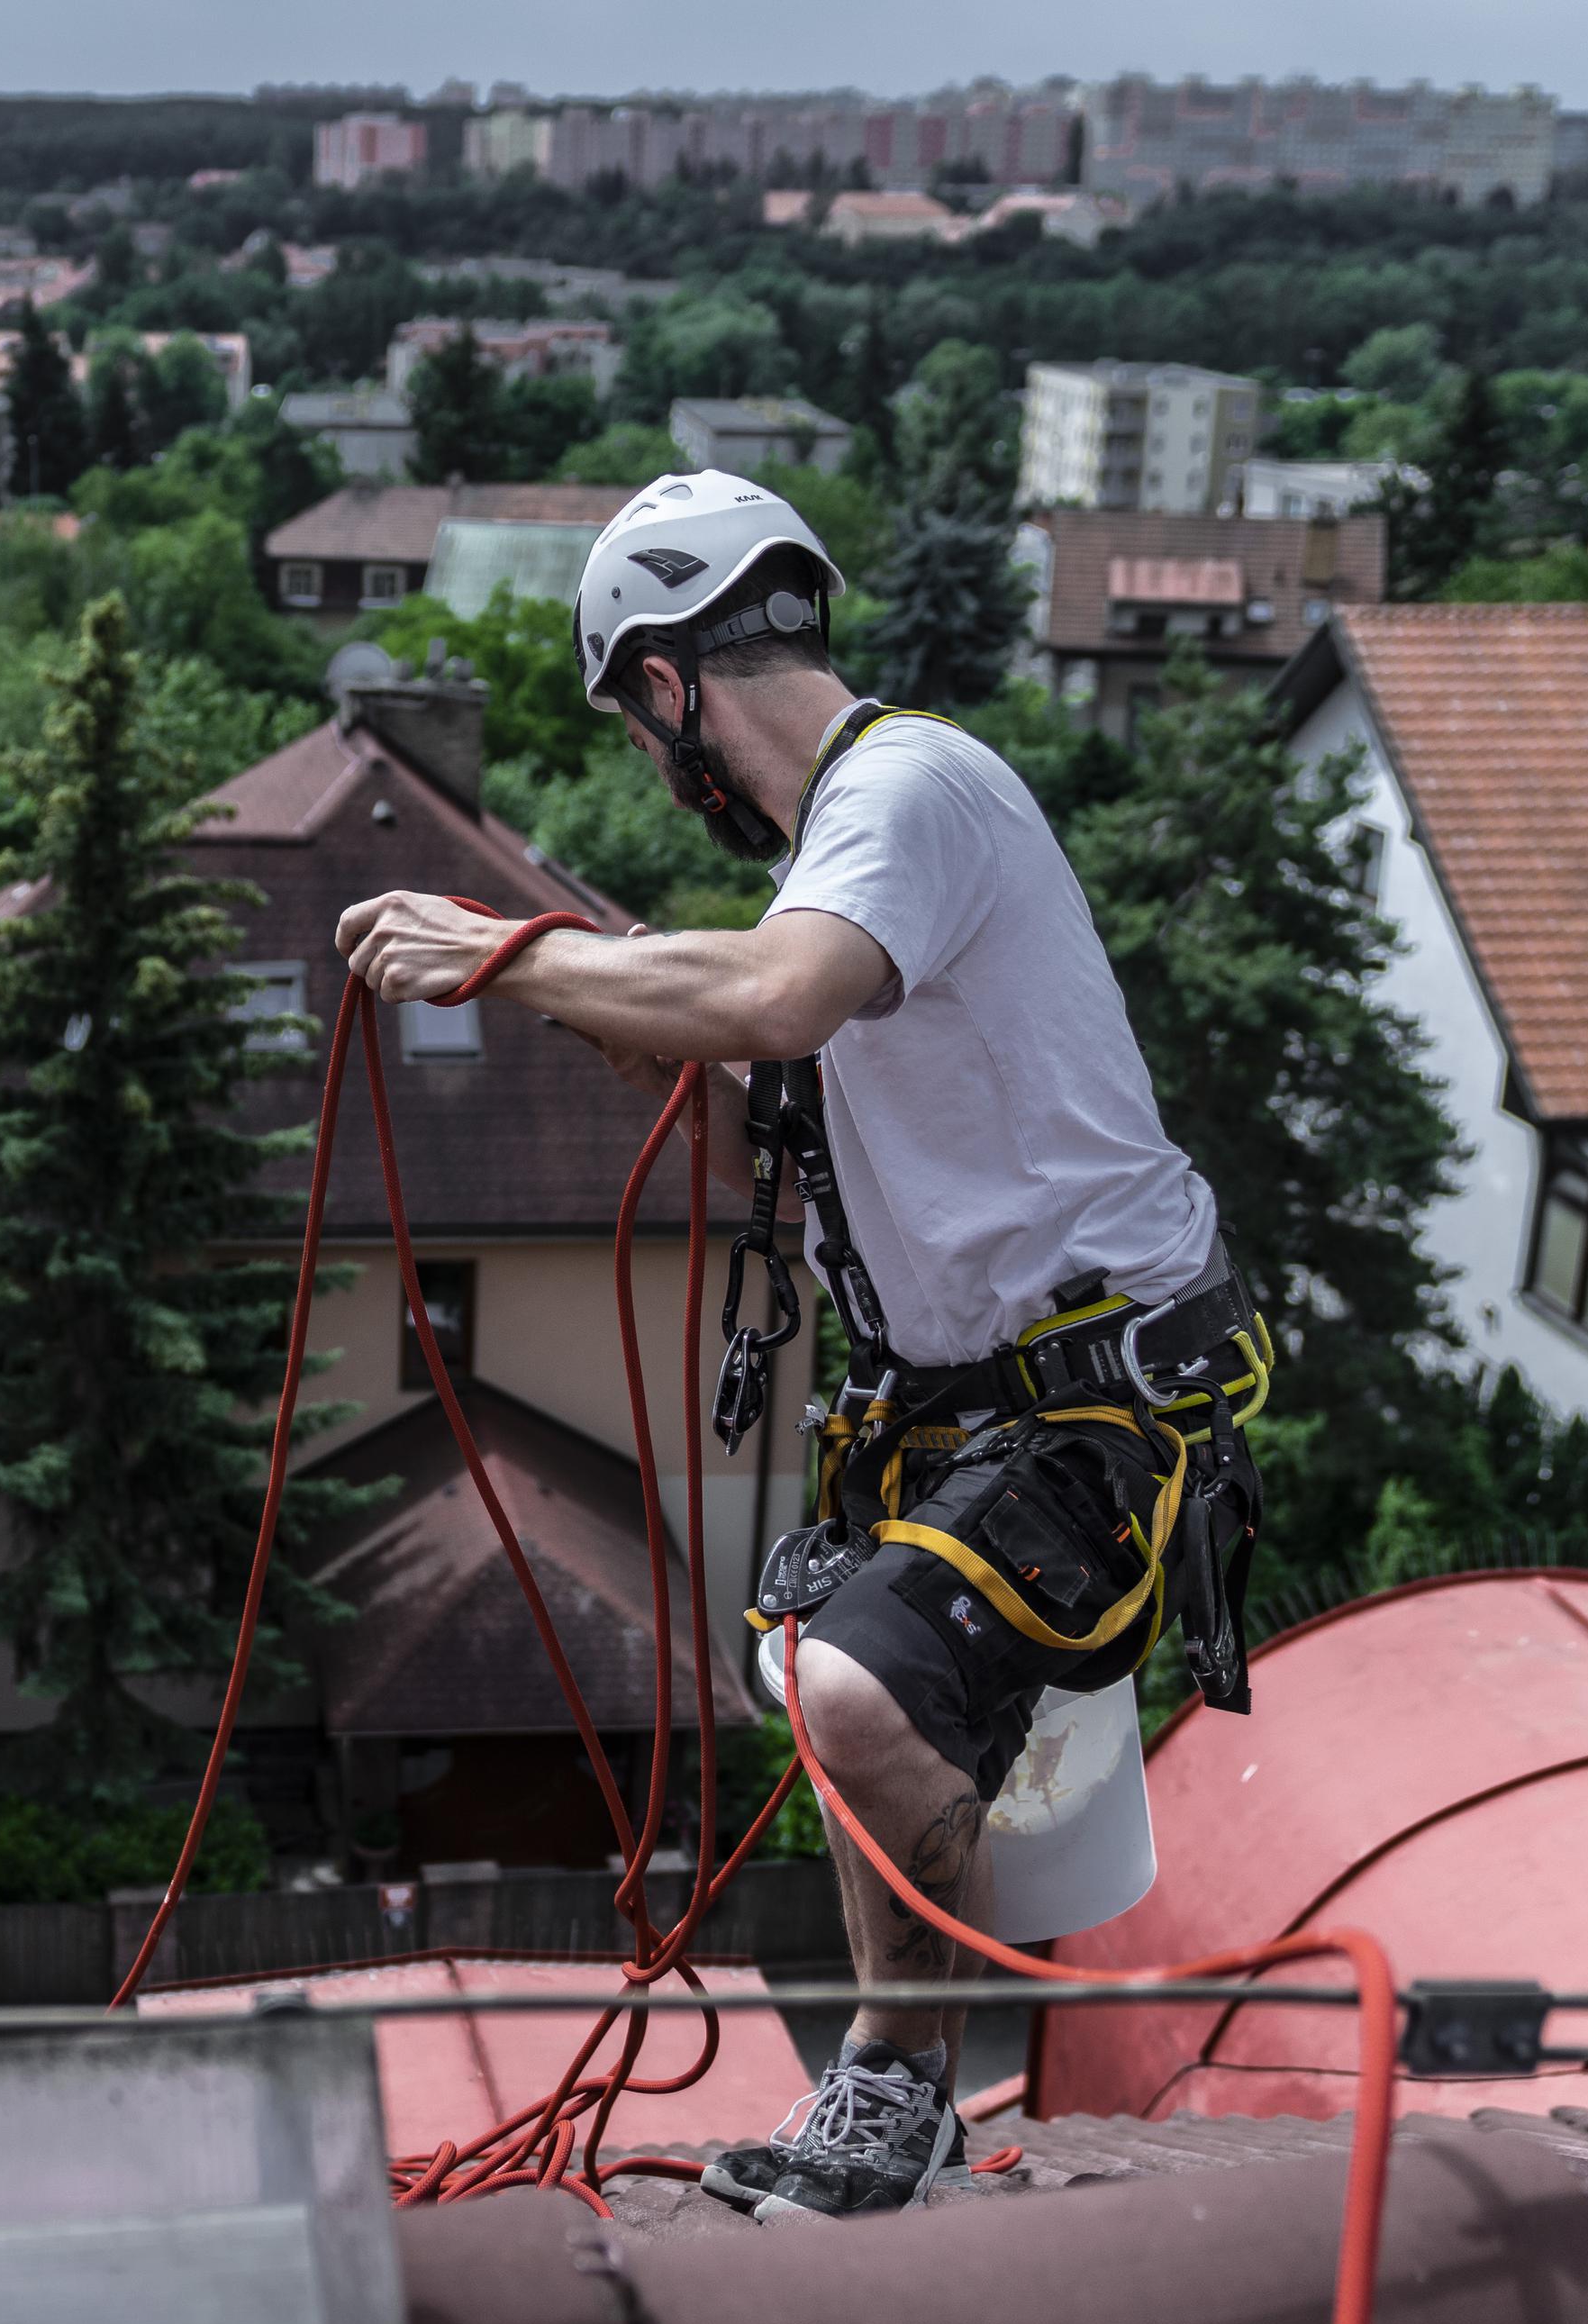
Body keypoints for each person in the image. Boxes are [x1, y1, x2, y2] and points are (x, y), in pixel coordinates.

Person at [334, 471, 1264, 2220]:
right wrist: (659, 1040)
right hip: (974, 1400)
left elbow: (774, 995)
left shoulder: (907, 789)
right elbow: (793, 1095)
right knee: (835, 1665)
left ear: (666, 684)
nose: (648, 765)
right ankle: (899, 2090)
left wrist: (509, 955)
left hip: (1097, 1388)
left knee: (852, 1683)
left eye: (637, 729)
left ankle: (892, 2088)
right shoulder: (849, 857)